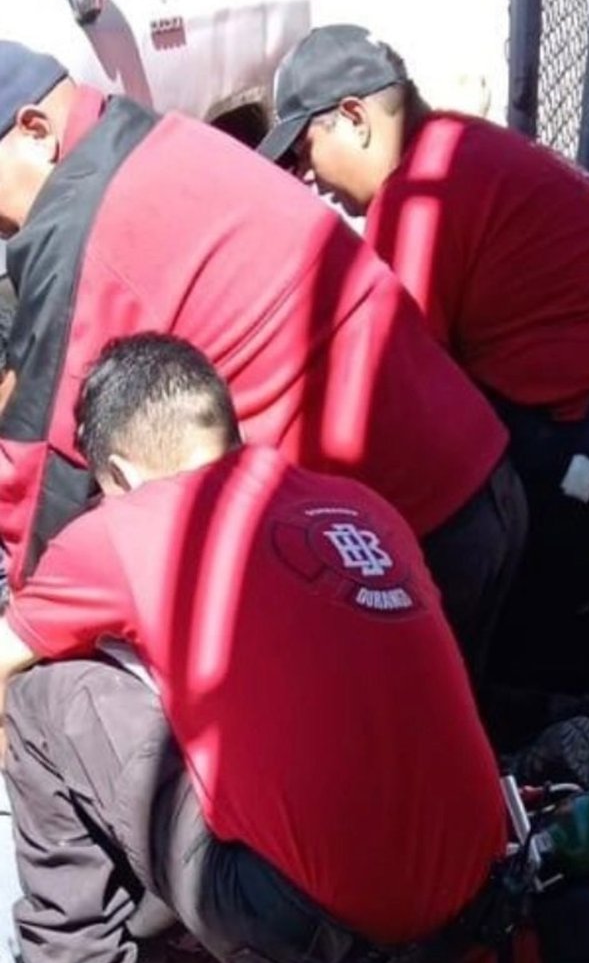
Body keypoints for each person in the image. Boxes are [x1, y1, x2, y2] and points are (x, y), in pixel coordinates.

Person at [0, 335, 510, 963]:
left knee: (45, 698)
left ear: (121, 473)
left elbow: (7, 658)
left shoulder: (126, 528)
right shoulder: (358, 508)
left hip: (299, 929)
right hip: (467, 913)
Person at [259, 24, 589, 733]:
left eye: (305, 150)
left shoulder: (420, 199)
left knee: (483, 647)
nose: (308, 177)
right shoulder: (461, 150)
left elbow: (401, 395)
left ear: (354, 118)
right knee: (511, 622)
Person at [0, 39, 526, 687]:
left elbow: (44, 472)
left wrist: (28, 622)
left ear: (35, 131)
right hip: (474, 477)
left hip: (401, 542)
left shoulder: (75, 222)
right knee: (461, 722)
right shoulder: (155, 139)